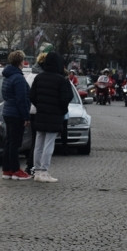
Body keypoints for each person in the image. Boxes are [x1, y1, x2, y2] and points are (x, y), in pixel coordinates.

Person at [29, 51, 73, 183]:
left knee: (38, 144)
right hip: (54, 115)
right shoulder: (61, 80)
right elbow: (66, 98)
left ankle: (37, 171)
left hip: (41, 114)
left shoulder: (39, 77)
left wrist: (40, 105)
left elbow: (32, 96)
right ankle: (44, 171)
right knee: (49, 144)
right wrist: (61, 110)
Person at [1, 50, 32, 180]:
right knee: (15, 143)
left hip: (8, 111)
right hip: (16, 114)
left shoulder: (7, 76)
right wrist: (26, 116)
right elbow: (22, 99)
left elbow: (5, 94)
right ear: (21, 62)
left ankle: (7, 169)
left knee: (9, 142)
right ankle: (15, 170)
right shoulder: (18, 78)